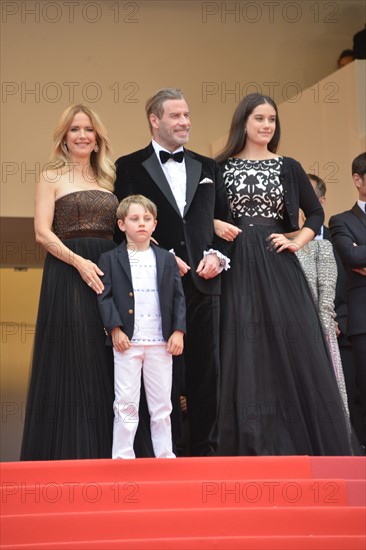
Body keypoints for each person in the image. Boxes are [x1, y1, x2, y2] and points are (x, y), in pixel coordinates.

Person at [214, 93, 357, 456]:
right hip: (235, 264)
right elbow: (204, 215)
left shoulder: (288, 166)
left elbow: (314, 214)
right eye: (259, 118)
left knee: (292, 344)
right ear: (243, 122)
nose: (266, 126)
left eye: (272, 120)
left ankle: (296, 441)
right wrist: (216, 223)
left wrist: (298, 241)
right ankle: (249, 442)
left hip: (277, 262)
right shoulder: (220, 167)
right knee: (243, 347)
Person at [114, 88, 231, 456]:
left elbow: (225, 222)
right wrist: (163, 258)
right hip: (153, 285)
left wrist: (217, 255)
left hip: (205, 280)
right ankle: (165, 453)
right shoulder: (129, 166)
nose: (185, 122)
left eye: (187, 115)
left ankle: (205, 450)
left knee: (206, 371)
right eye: (176, 116)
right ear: (155, 119)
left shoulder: (208, 166)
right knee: (162, 372)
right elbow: (127, 223)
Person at [21, 104, 118, 460]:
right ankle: (72, 456)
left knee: (108, 355)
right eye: (74, 129)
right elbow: (42, 234)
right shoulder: (50, 177)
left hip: (108, 274)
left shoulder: (111, 179)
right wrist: (79, 263)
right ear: (64, 137)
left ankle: (110, 455)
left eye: (88, 130)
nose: (82, 135)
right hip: (68, 274)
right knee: (75, 355)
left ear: (97, 139)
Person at [97, 195, 186, 459]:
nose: (141, 224)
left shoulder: (167, 259)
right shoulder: (110, 259)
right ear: (122, 224)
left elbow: (179, 297)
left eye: (147, 219)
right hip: (127, 342)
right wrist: (115, 328)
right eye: (134, 219)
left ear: (155, 224)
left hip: (161, 343)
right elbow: (104, 296)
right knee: (125, 402)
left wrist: (178, 331)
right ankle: (123, 457)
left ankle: (165, 455)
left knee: (162, 405)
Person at [308, 174, 363, 441]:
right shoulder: (280, 240)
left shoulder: (333, 236)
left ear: (321, 201)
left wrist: (337, 319)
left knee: (353, 394)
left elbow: (345, 283)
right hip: (301, 331)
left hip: (344, 330)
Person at [295, 210, 349, 414]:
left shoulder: (320, 247)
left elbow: (326, 298)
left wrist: (322, 335)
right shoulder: (271, 248)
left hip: (318, 334)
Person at [329, 152, 366, 452]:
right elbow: (351, 256)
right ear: (357, 179)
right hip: (362, 320)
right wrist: (357, 252)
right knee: (363, 391)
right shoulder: (341, 220)